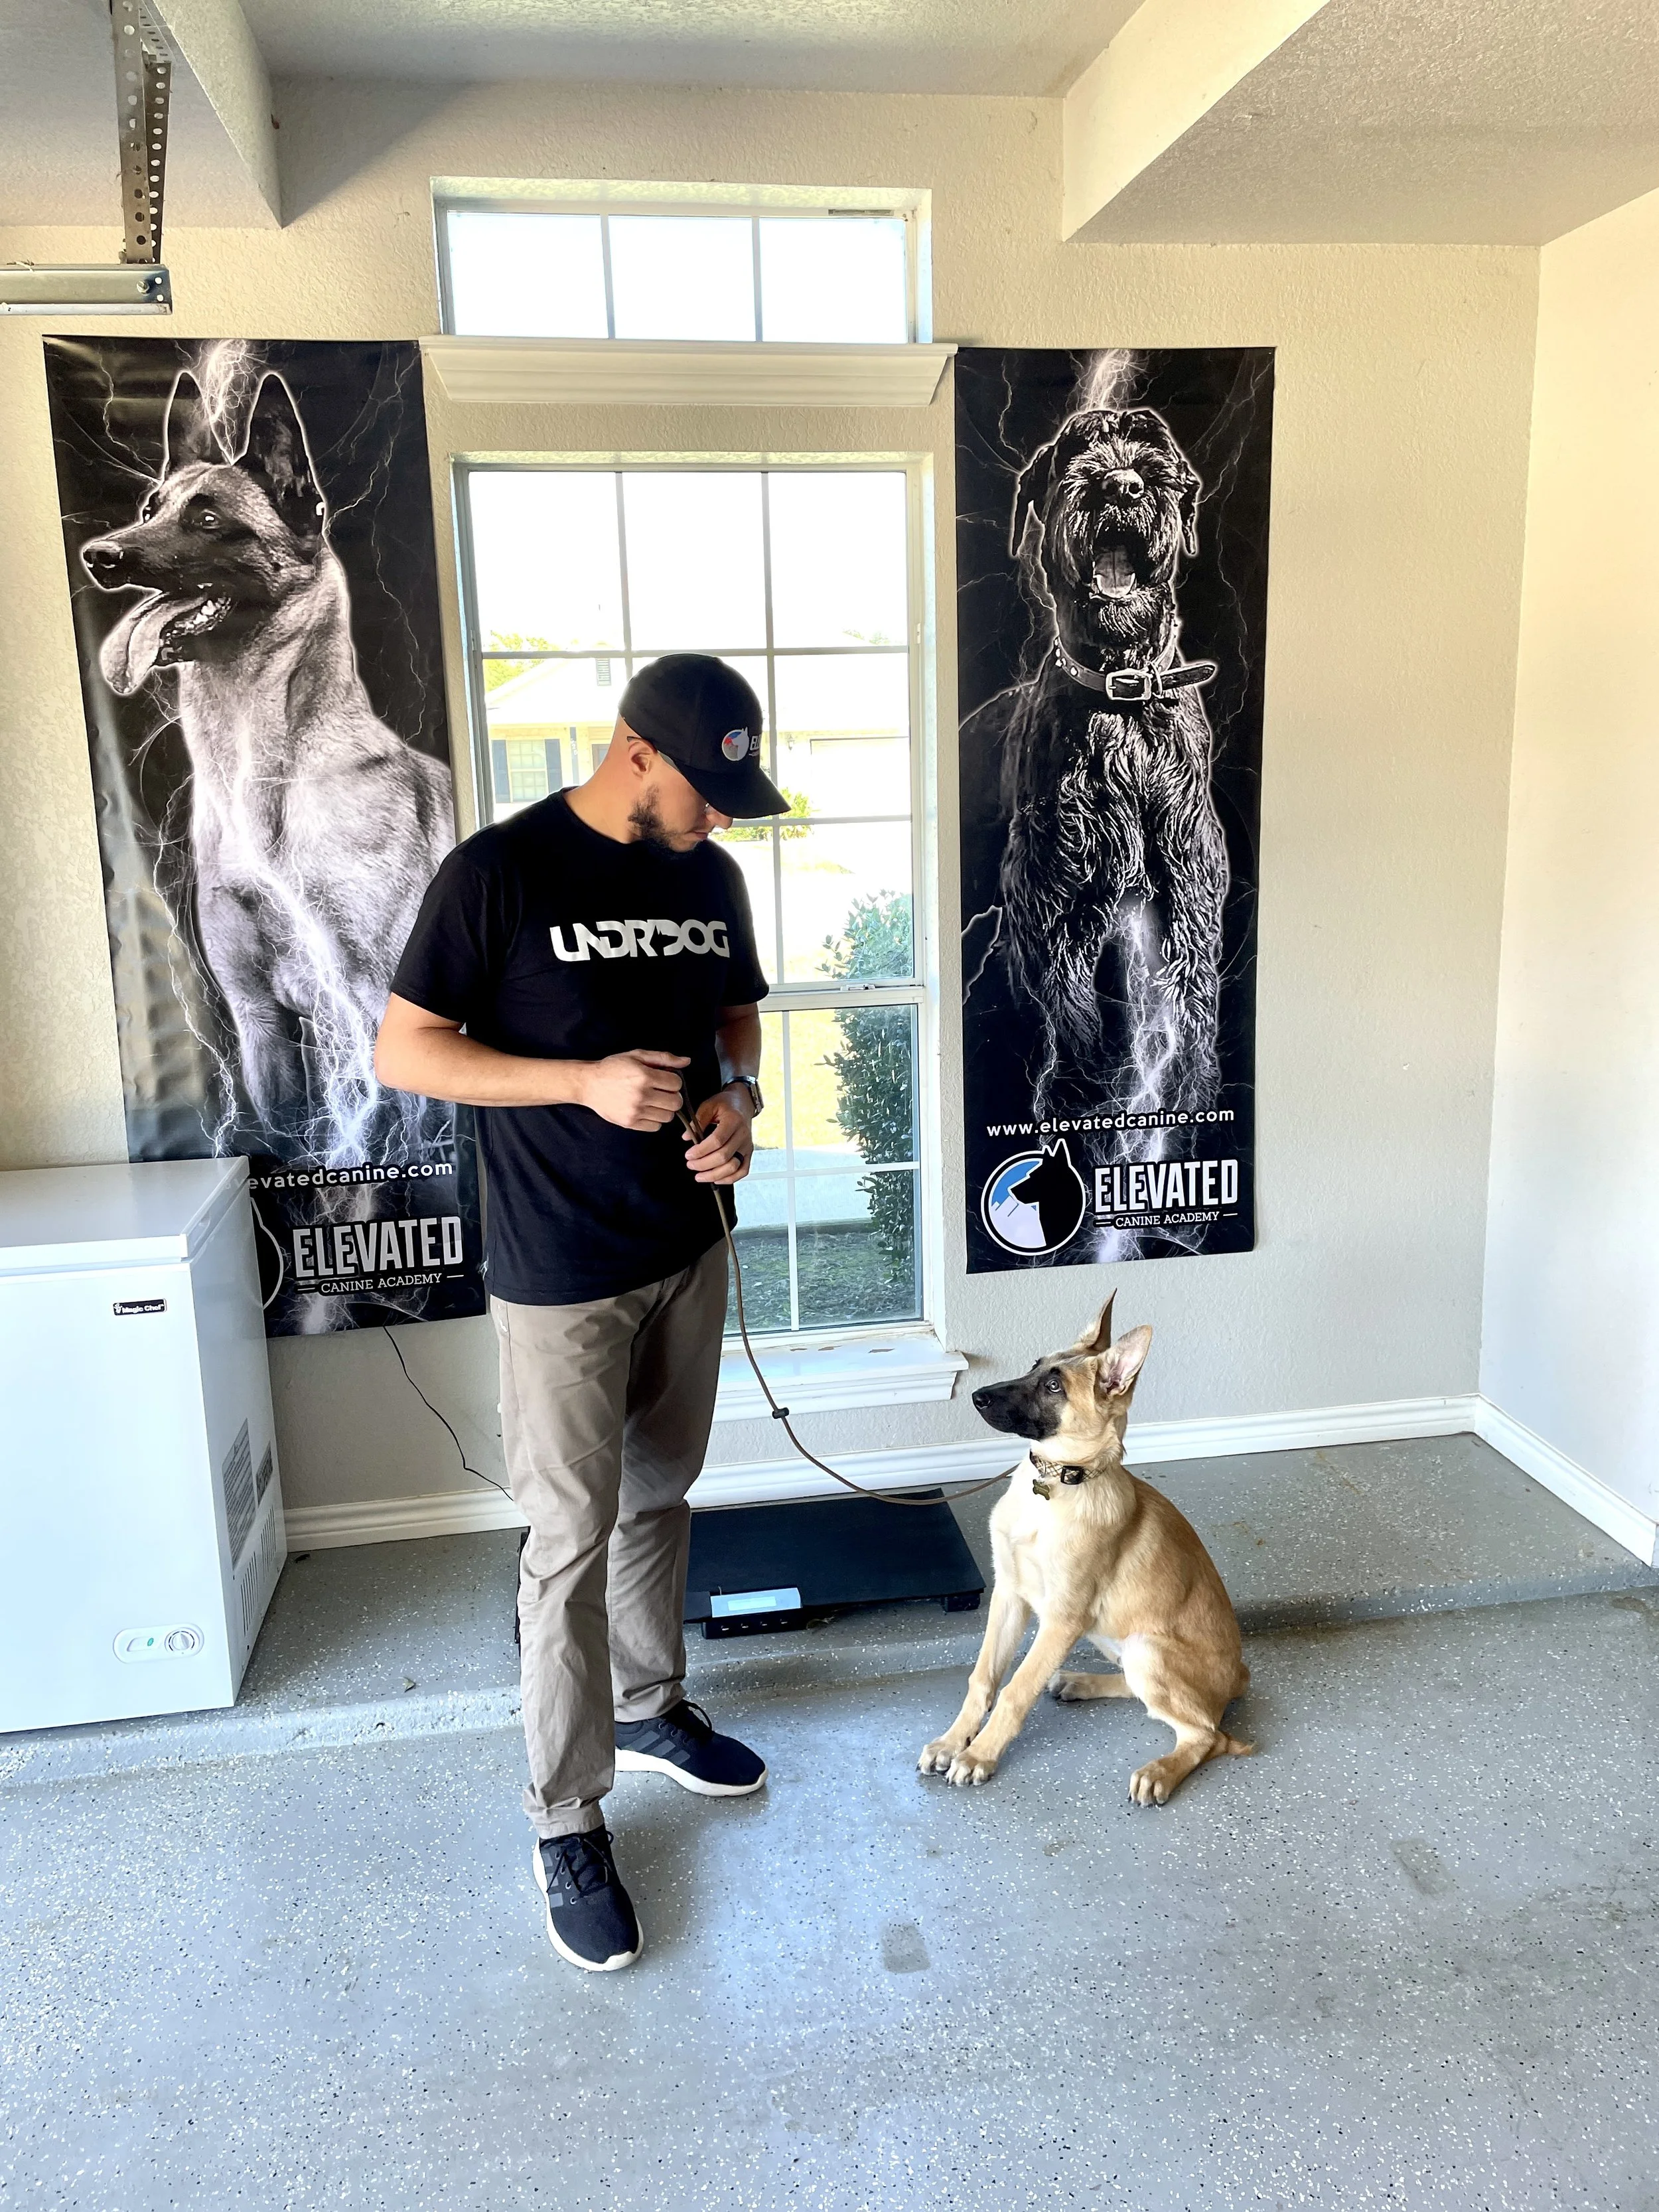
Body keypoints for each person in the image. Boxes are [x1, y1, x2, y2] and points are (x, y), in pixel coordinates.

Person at [376, 652, 788, 1973]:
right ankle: (563, 1813)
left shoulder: (708, 880)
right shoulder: (496, 873)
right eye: (706, 790)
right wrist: (579, 1083)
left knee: (663, 1491)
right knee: (567, 1533)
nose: (722, 820)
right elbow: (406, 1047)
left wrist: (738, 1105)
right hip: (557, 1269)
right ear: (634, 755)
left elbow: (735, 1022)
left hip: (686, 1246)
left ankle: (655, 1708)